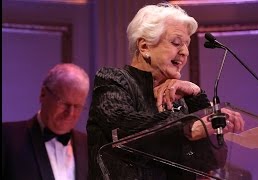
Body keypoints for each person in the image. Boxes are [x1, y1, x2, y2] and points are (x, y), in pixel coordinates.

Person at [87, 2, 245, 180]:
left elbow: (213, 160)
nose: (185, 52)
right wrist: (187, 127)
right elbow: (122, 125)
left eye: (187, 45)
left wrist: (196, 95)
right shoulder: (113, 79)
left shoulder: (182, 98)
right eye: (176, 43)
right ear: (144, 47)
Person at [2, 63, 90, 180]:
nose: (70, 113)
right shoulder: (7, 137)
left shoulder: (89, 146)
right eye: (64, 103)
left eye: (78, 106)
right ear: (43, 94)